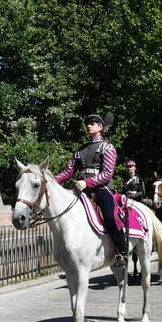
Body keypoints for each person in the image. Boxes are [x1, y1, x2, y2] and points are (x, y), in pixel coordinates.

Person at [55, 113, 127, 269]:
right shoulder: (79, 150)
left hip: (101, 189)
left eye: (93, 123)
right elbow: (68, 172)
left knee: (110, 215)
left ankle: (122, 253)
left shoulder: (107, 147)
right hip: (81, 189)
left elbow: (107, 174)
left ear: (100, 127)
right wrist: (50, 181)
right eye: (87, 123)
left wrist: (86, 183)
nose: (89, 125)